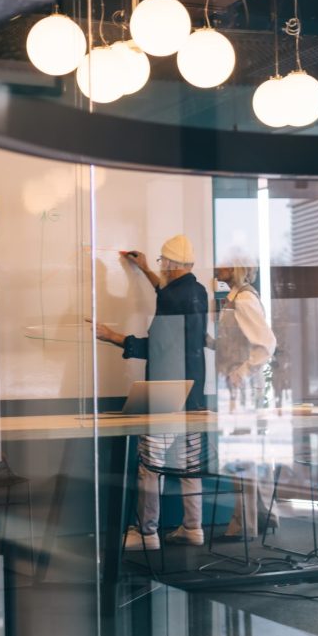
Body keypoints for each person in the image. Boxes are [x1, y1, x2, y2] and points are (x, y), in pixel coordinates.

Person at [94, 233, 210, 550]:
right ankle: (193, 527)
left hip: (165, 390)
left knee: (150, 464)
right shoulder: (197, 292)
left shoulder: (173, 298)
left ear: (171, 264)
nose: (162, 267)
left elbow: (157, 348)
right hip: (195, 393)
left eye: (162, 262)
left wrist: (113, 337)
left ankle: (146, 534)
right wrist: (145, 269)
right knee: (190, 464)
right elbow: (169, 292)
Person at [211, 254, 276, 540]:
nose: (216, 268)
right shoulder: (235, 298)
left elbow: (266, 344)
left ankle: (246, 523)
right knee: (248, 454)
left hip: (243, 388)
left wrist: (242, 371)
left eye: (223, 264)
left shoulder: (245, 300)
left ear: (235, 268)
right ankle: (262, 517)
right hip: (238, 386)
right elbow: (238, 342)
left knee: (243, 455)